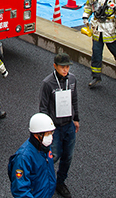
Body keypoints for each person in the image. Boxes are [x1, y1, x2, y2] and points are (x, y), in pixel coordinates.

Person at [38, 53, 79, 198]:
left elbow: (74, 100)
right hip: (54, 128)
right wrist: (47, 130)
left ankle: (60, 183)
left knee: (68, 157)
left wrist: (76, 119)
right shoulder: (48, 83)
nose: (65, 70)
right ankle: (42, 180)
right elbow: (43, 108)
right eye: (62, 67)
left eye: (67, 67)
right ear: (55, 66)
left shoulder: (72, 79)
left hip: (69, 126)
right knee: (53, 156)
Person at [8, 113, 57, 198]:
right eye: (47, 134)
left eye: (51, 133)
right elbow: (20, 190)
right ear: (37, 135)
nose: (50, 137)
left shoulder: (45, 147)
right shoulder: (23, 158)